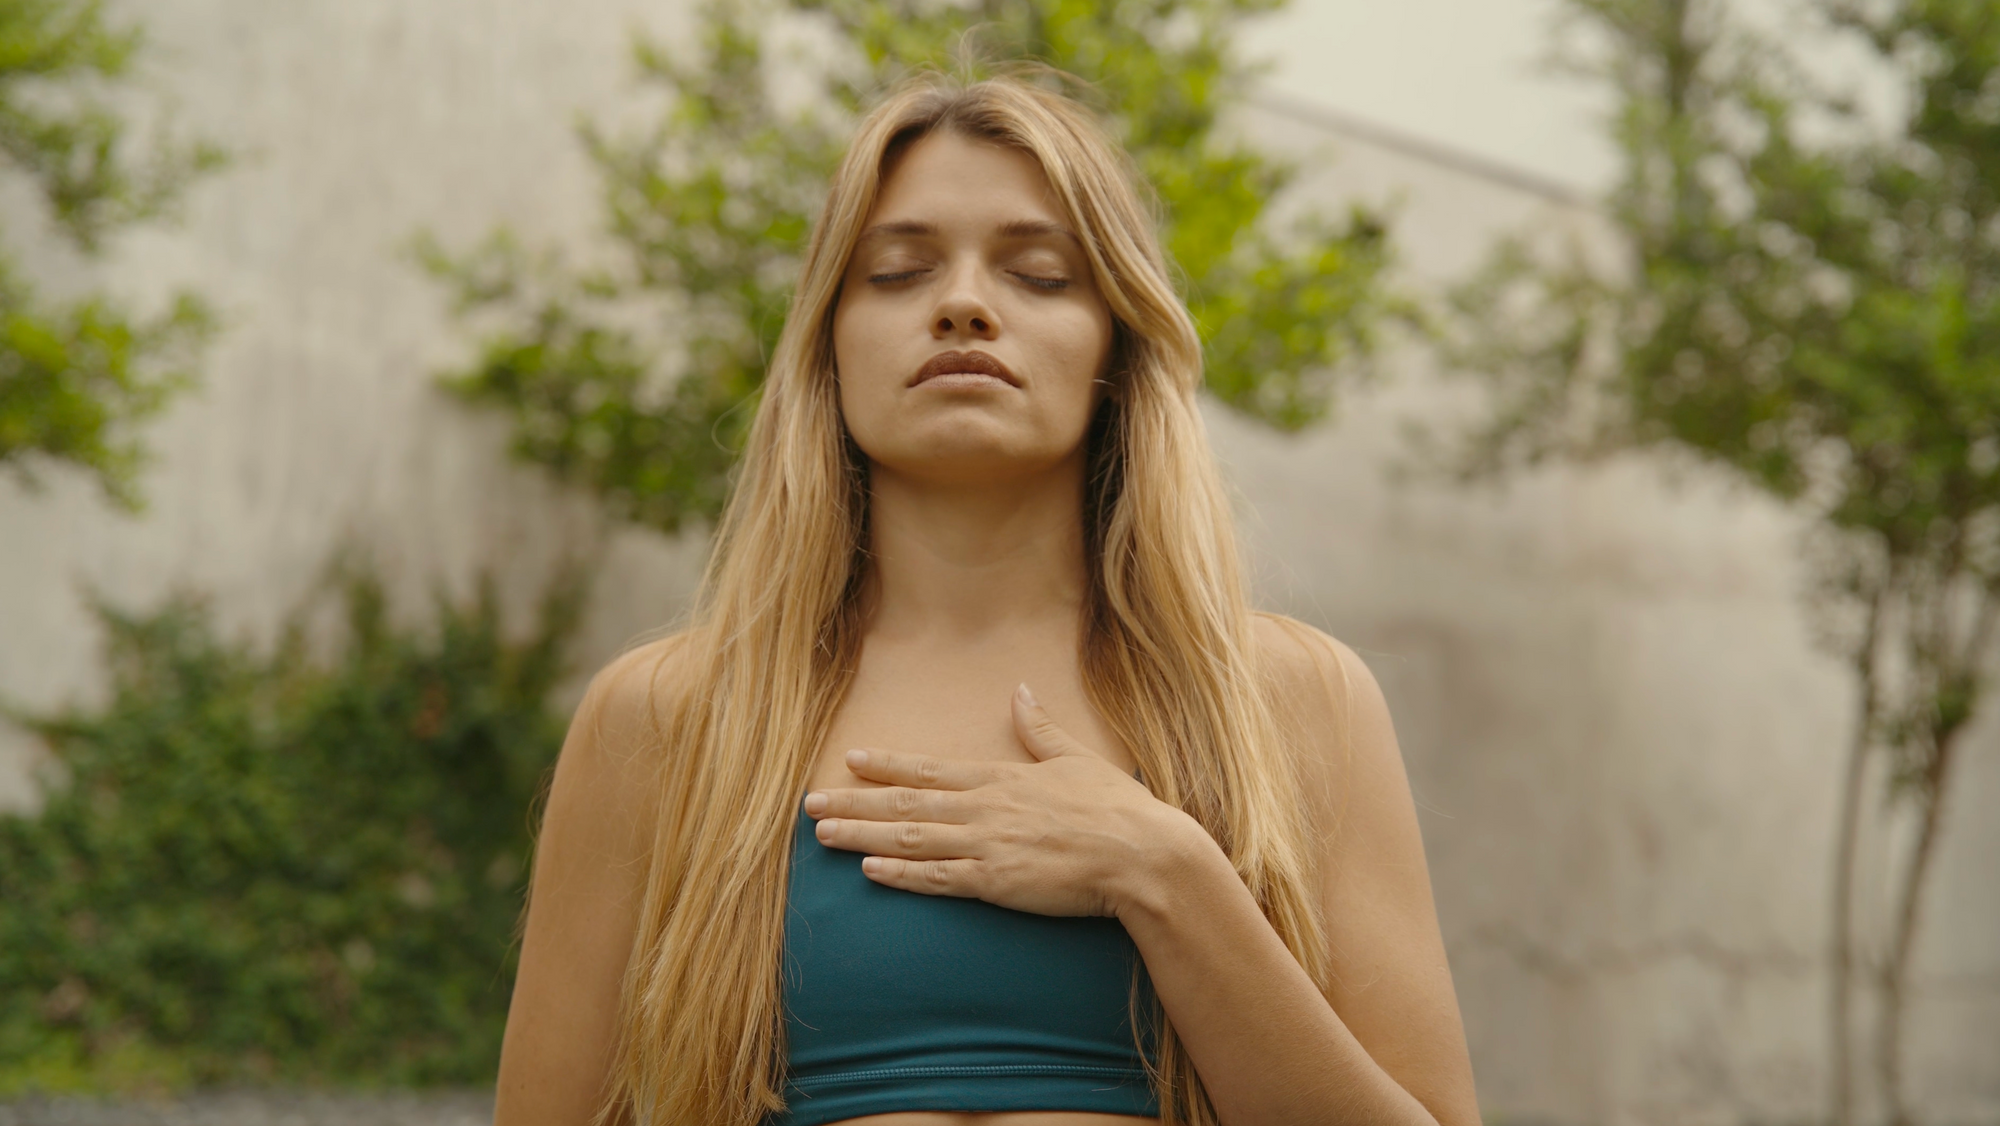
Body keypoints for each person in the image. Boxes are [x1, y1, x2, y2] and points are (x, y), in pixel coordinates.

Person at [493, 71, 1480, 1126]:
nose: (962, 303)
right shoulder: (666, 715)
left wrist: (1165, 874)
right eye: (897, 270)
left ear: (1116, 346)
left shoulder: (1292, 697)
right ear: (828, 347)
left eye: (1040, 275)